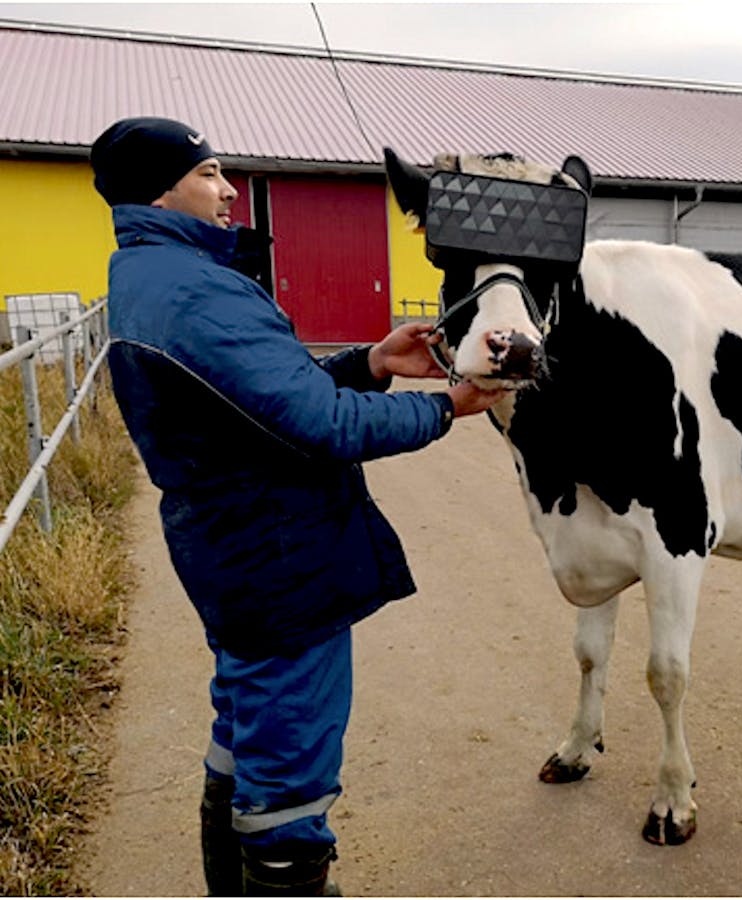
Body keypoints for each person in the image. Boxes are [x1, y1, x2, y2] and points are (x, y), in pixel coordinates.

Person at [90, 117, 505, 896]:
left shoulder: (157, 275)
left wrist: (373, 361)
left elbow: (266, 399)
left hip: (235, 547)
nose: (228, 189)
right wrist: (448, 406)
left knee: (245, 732)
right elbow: (325, 424)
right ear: (161, 187)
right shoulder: (192, 289)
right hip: (275, 556)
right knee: (290, 769)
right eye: (210, 171)